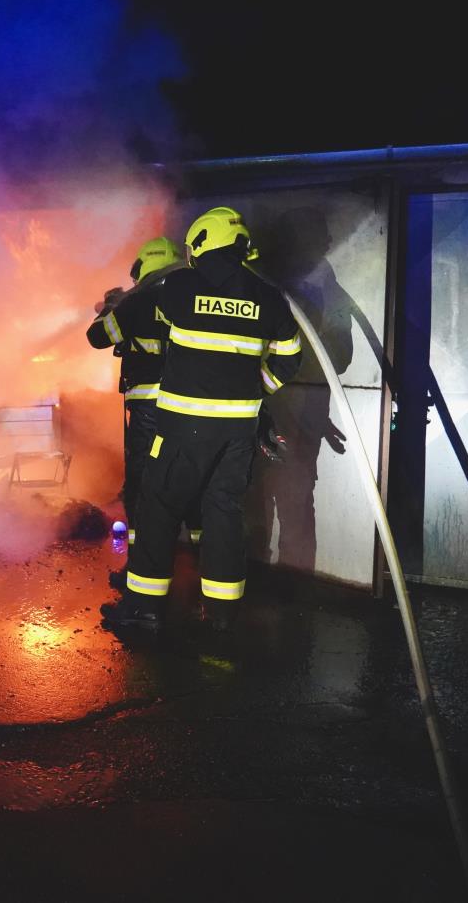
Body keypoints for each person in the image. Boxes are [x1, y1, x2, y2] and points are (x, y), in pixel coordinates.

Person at [99, 207, 304, 634]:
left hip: (182, 428)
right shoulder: (268, 296)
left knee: (157, 507)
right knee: (223, 510)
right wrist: (256, 390)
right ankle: (222, 615)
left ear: (202, 242)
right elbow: (290, 356)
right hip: (238, 432)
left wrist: (124, 302)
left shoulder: (178, 286)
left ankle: (143, 610)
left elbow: (118, 326)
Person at [86, 235, 202, 555]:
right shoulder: (195, 296)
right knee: (191, 475)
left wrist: (112, 306)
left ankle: (141, 557)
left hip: (150, 405)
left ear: (146, 264)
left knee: (142, 476)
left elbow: (98, 336)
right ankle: (201, 556)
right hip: (192, 406)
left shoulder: (138, 301)